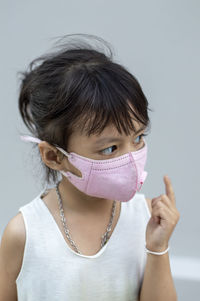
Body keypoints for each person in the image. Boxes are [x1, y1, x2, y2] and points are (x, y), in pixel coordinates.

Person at [0, 34, 180, 301]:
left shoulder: (145, 220)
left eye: (138, 138)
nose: (131, 158)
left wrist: (157, 247)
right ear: (54, 156)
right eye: (110, 148)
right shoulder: (25, 233)